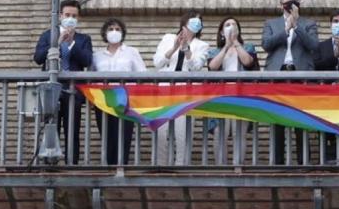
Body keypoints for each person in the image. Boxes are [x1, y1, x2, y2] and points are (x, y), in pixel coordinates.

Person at [262, 0, 319, 164]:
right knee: (277, 121)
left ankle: (304, 162)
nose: (292, 1)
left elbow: (313, 45)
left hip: (300, 76)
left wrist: (297, 26)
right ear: (281, 5)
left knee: (301, 121)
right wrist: (286, 29)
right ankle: (278, 163)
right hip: (278, 76)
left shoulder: (308, 23)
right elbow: (266, 44)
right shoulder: (271, 23)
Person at [34, 0, 93, 165]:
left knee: (72, 130)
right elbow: (38, 58)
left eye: (74, 16)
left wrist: (72, 43)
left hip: (73, 92)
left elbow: (87, 60)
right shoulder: (48, 35)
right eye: (67, 15)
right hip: (51, 90)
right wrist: (57, 43)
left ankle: (71, 165)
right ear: (60, 16)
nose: (70, 19)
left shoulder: (83, 39)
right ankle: (50, 164)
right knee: (51, 128)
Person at [153, 11, 210, 165]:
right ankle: (161, 165)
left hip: (186, 93)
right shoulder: (168, 38)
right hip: (165, 91)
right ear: (184, 22)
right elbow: (157, 63)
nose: (196, 23)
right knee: (161, 131)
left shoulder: (202, 45)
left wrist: (186, 49)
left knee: (183, 132)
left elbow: (196, 66)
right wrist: (174, 47)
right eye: (193, 20)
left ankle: (181, 165)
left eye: (199, 21)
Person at [92, 18, 146, 165]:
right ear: (104, 33)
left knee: (124, 137)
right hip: (103, 102)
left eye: (117, 29)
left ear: (123, 33)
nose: (114, 32)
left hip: (125, 102)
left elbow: (143, 75)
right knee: (107, 137)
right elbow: (91, 78)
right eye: (110, 29)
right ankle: (109, 169)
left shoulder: (131, 52)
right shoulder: (96, 56)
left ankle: (122, 168)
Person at [207, 17, 259, 163]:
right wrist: (226, 46)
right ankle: (221, 167)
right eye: (227, 25)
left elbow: (248, 62)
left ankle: (238, 167)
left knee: (239, 133)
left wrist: (235, 42)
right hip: (220, 97)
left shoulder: (248, 47)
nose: (231, 27)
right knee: (220, 132)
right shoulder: (214, 51)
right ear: (221, 32)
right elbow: (212, 67)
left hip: (241, 96)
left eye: (234, 25)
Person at [313, 10, 339, 162]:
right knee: (327, 128)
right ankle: (327, 159)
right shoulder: (321, 46)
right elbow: (316, 65)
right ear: (330, 24)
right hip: (326, 96)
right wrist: (334, 56)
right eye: (335, 21)